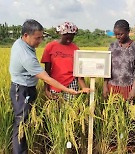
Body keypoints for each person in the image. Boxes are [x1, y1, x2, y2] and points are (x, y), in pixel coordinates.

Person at [9, 19, 79, 154]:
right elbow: (46, 77)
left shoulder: (22, 43)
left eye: (41, 37)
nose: (40, 41)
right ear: (25, 36)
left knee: (25, 122)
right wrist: (66, 89)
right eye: (37, 38)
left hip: (27, 88)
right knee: (21, 124)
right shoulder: (26, 55)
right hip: (21, 91)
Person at [41, 21, 90, 101]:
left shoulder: (75, 49)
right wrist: (46, 89)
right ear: (61, 34)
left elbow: (79, 72)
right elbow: (47, 70)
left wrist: (84, 87)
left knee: (71, 107)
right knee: (55, 108)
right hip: (54, 83)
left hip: (71, 82)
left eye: (71, 37)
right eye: (66, 37)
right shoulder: (50, 47)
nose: (69, 40)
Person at [103, 19, 135, 101]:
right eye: (116, 34)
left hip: (129, 87)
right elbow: (107, 67)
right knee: (114, 112)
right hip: (112, 86)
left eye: (121, 34)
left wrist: (134, 89)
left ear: (128, 31)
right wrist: (105, 86)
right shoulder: (112, 46)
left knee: (129, 112)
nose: (118, 37)